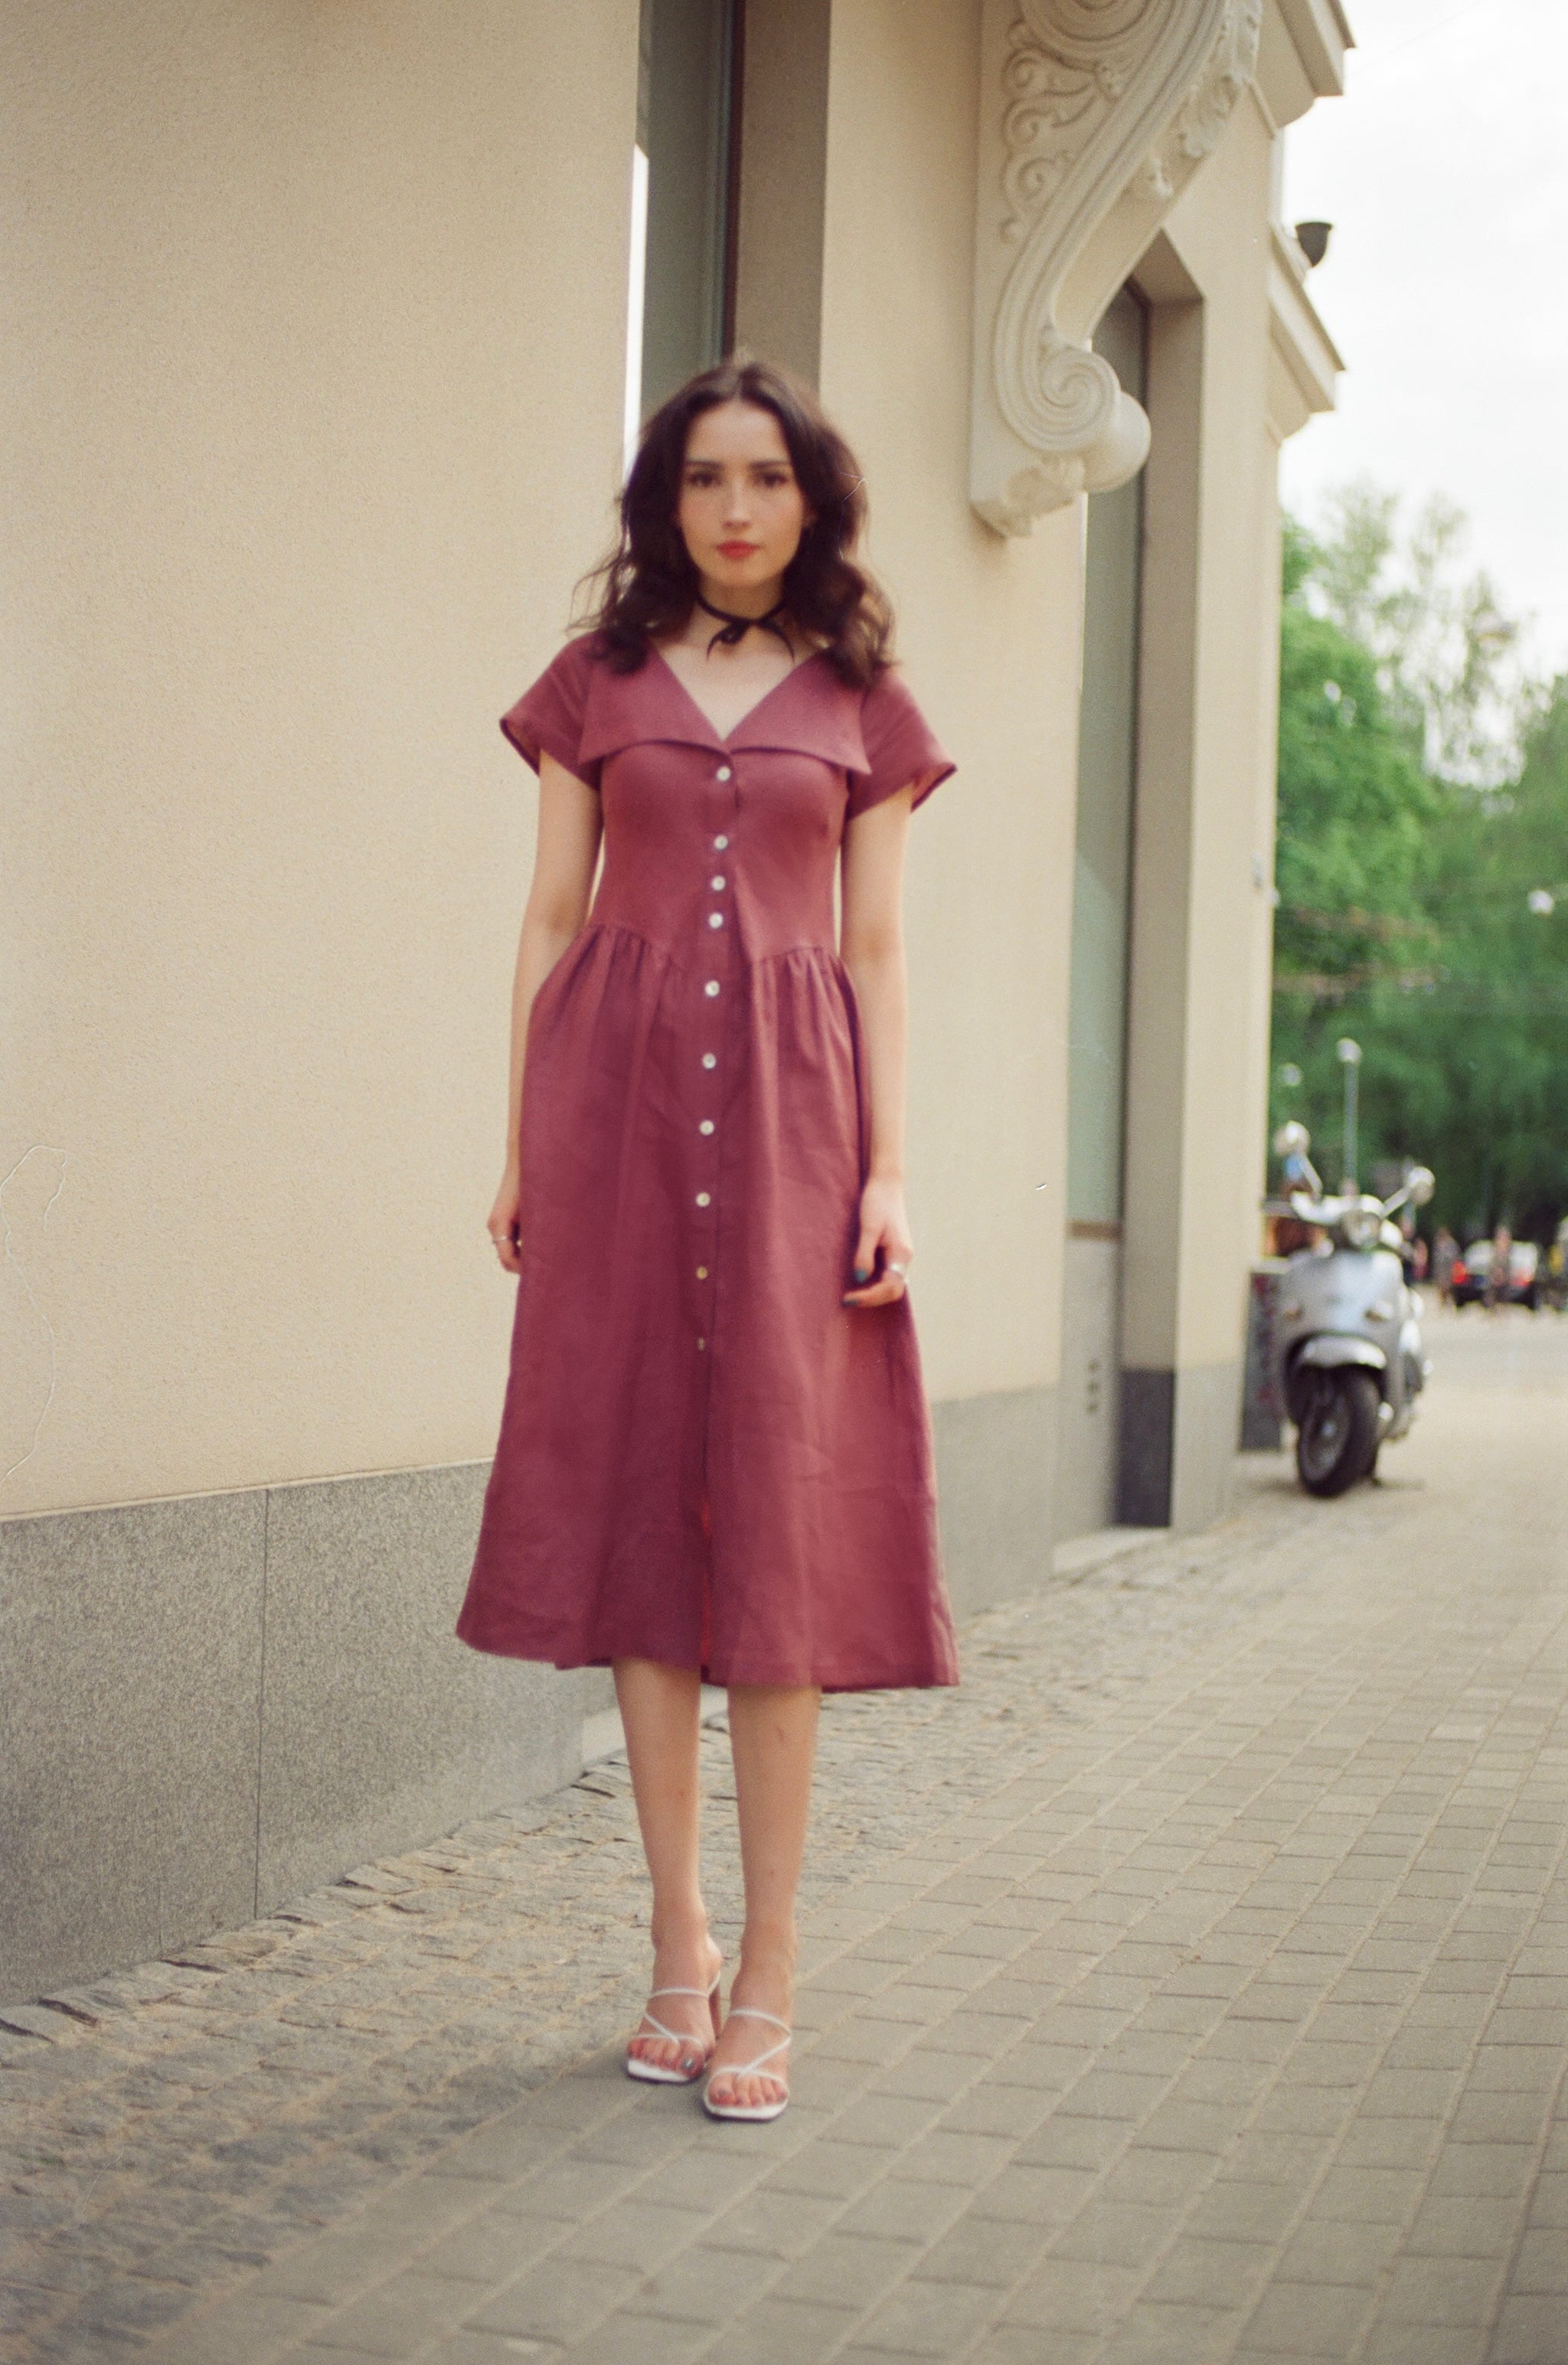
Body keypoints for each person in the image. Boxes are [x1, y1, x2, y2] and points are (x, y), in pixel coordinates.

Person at [455, 359, 959, 2124]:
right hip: (615, 1121)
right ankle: (673, 1942)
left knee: (778, 1553)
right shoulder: (594, 685)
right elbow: (546, 916)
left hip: (797, 1137)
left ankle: (772, 1964)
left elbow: (881, 951)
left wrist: (889, 1169)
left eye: (765, 478)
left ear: (810, 500)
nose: (734, 507)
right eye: (701, 479)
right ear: (663, 504)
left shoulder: (864, 702)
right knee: (635, 1529)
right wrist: (520, 1140)